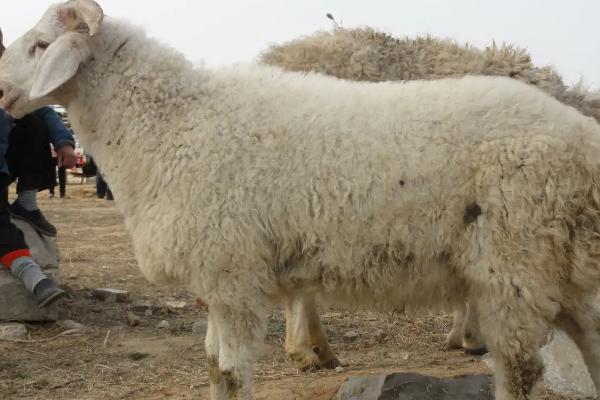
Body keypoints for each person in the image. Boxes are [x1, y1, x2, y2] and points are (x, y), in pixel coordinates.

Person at [0, 28, 75, 307]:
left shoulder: (10, 77)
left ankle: (26, 203)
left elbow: (43, 108)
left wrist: (64, 142)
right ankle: (33, 277)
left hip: (7, 160)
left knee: (33, 119)